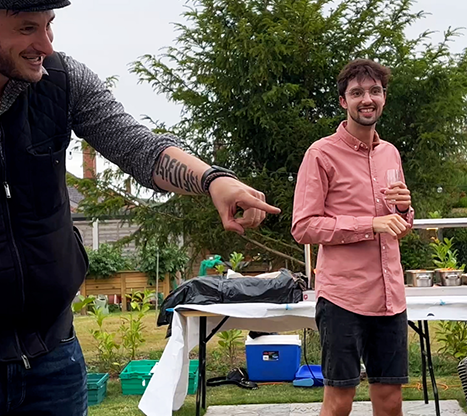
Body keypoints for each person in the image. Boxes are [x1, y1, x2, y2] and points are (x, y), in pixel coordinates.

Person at [0, 1, 280, 414]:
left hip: (53, 355)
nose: (46, 45)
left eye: (49, 25)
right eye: (27, 28)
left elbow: (136, 145)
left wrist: (212, 180)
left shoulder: (63, 80)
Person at [292, 59, 413, 416]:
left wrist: (404, 210)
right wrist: (370, 224)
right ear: (343, 101)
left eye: (375, 91)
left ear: (384, 97)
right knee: (339, 402)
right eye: (357, 92)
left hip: (391, 299)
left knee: (390, 401)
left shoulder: (390, 153)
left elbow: (399, 226)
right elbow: (304, 226)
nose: (367, 99)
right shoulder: (321, 154)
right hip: (343, 299)